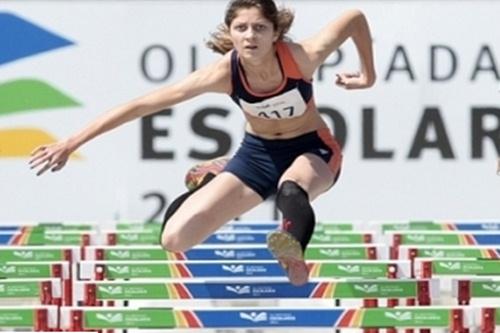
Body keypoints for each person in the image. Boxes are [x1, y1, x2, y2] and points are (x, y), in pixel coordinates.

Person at [29, 0, 376, 286]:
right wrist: (71, 142)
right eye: (241, 28)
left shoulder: (301, 57)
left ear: (275, 33)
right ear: (230, 33)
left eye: (259, 28)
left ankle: (291, 252)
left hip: (310, 149)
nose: (250, 36)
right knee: (174, 239)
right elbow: (141, 105)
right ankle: (212, 178)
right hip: (258, 155)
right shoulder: (223, 73)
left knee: (291, 189)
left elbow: (354, 18)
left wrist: (368, 76)